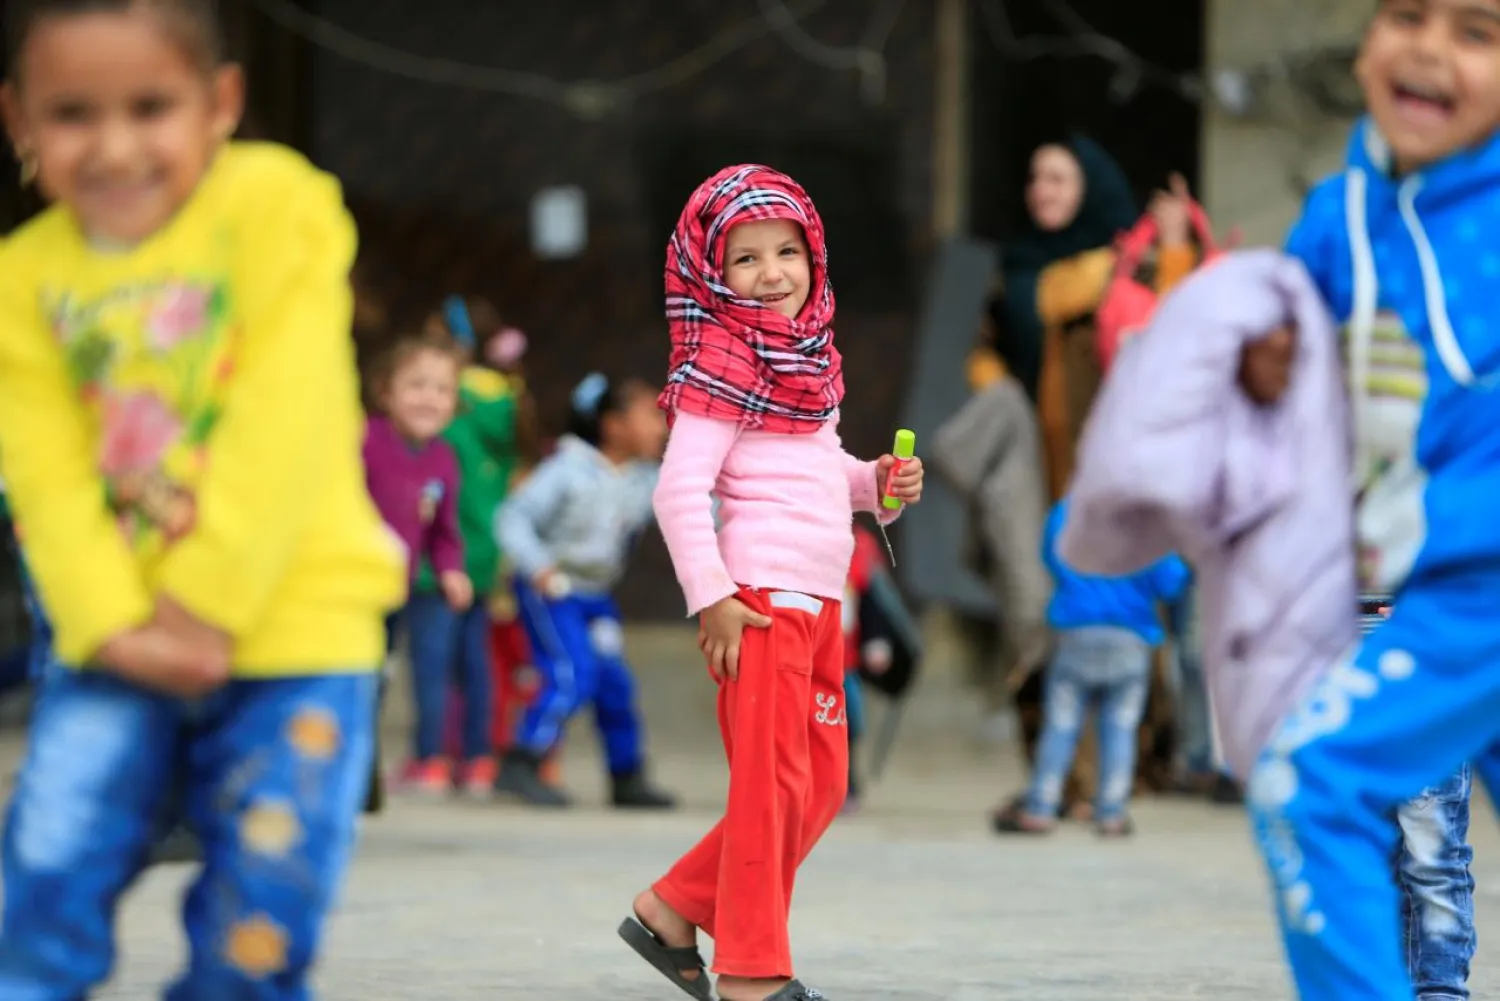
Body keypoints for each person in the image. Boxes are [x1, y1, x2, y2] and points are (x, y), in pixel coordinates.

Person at [0, 1, 406, 997]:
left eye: (150, 106)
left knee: (260, 913)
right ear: (18, 121)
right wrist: (113, 621)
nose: (116, 147)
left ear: (220, 101)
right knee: (47, 863)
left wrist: (201, 604)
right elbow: (42, 474)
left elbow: (289, 409)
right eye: (72, 114)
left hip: (299, 638)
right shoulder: (23, 279)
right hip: (121, 645)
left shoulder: (276, 206)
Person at [1230, 1, 1500, 996]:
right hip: (1392, 586)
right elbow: (1274, 369)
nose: (1430, 47)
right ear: (1364, 44)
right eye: (1408, 15)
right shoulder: (1340, 212)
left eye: (1478, 32)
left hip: (1475, 575)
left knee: (1312, 780)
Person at [617, 163, 925, 1001]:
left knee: (817, 786)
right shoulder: (719, 365)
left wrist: (877, 485)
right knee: (767, 793)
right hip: (759, 605)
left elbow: (821, 475)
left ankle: (675, 908)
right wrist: (712, 595)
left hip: (821, 601)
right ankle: (752, 973)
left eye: (786, 250)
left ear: (814, 255)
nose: (772, 273)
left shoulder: (802, 364)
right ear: (711, 274)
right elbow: (678, 491)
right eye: (745, 259)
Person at [493, 372, 677, 810]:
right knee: (569, 671)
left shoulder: (644, 477)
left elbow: (696, 509)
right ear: (613, 425)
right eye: (650, 415)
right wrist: (536, 565)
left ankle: (626, 774)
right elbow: (513, 517)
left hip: (595, 595)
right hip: (553, 588)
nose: (662, 425)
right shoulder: (566, 470)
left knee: (614, 681)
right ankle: (523, 761)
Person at [993, 499, 1189, 837]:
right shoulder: (1144, 520)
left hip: (1076, 628)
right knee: (1121, 726)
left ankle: (1041, 805)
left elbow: (1049, 559)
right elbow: (1172, 581)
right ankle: (1111, 812)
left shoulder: (1068, 511)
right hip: (1131, 635)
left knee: (1061, 723)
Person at [362, 329, 477, 792]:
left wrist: (450, 569)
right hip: (355, 586)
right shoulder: (367, 441)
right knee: (358, 675)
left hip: (400, 587)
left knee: (383, 673)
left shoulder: (443, 458)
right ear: (386, 393)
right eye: (416, 385)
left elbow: (443, 531)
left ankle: (369, 764)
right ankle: (354, 766)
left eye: (442, 389)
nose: (429, 398)